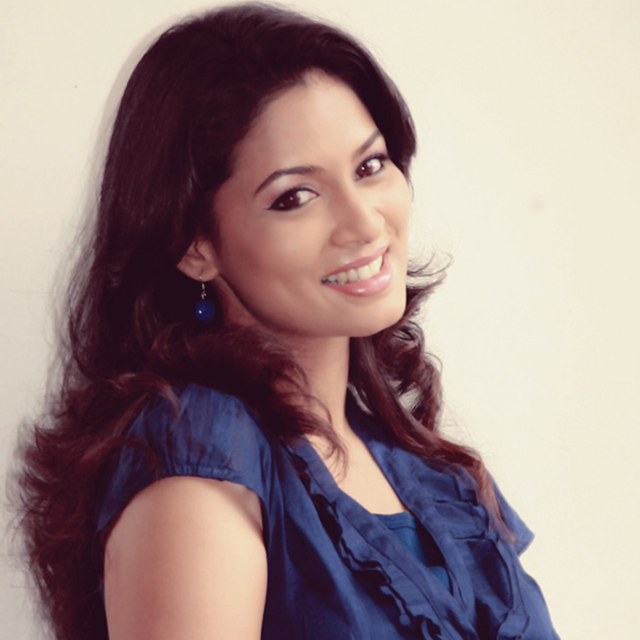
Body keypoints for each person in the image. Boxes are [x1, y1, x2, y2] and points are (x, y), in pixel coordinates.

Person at [15, 4, 559, 639]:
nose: (364, 223)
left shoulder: (430, 470)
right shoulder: (199, 448)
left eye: (370, 166)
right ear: (195, 245)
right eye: (295, 196)